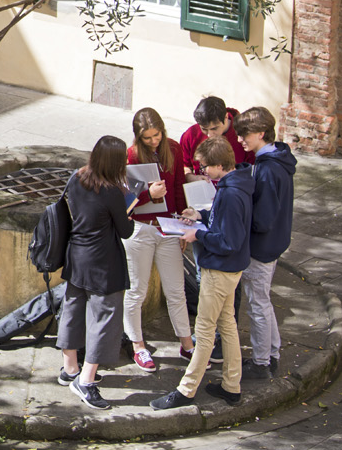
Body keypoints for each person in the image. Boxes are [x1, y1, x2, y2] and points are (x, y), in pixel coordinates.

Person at [57, 135, 167, 410]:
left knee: (72, 310)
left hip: (76, 257)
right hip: (103, 264)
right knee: (104, 318)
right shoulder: (112, 192)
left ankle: (69, 368)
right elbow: (126, 231)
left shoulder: (76, 177)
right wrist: (127, 209)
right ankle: (86, 380)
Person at [152, 135, 251, 410]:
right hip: (231, 270)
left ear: (220, 165)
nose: (201, 172)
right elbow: (228, 224)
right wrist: (201, 217)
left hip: (219, 270)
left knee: (205, 331)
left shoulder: (230, 193)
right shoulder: (236, 184)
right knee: (228, 325)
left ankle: (186, 390)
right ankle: (232, 385)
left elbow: (228, 240)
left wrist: (198, 235)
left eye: (205, 167)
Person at [123, 108, 195, 372]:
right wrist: (147, 194)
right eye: (148, 138)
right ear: (138, 138)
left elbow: (177, 190)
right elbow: (126, 201)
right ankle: (138, 346)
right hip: (141, 230)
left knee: (176, 291)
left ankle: (187, 345)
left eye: (157, 135)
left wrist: (181, 226)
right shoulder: (130, 156)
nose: (154, 141)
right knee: (136, 291)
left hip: (167, 229)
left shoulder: (173, 149)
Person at [236, 105, 297, 379]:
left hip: (261, 247)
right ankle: (271, 354)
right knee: (263, 301)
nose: (240, 140)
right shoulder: (275, 160)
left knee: (257, 304)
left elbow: (263, 219)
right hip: (273, 244)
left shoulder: (268, 170)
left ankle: (261, 363)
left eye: (244, 135)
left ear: (261, 133)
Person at [179, 96, 250, 174]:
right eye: (204, 129)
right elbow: (184, 166)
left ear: (226, 117)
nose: (209, 135)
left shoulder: (243, 134)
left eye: (214, 129)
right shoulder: (190, 135)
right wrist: (191, 177)